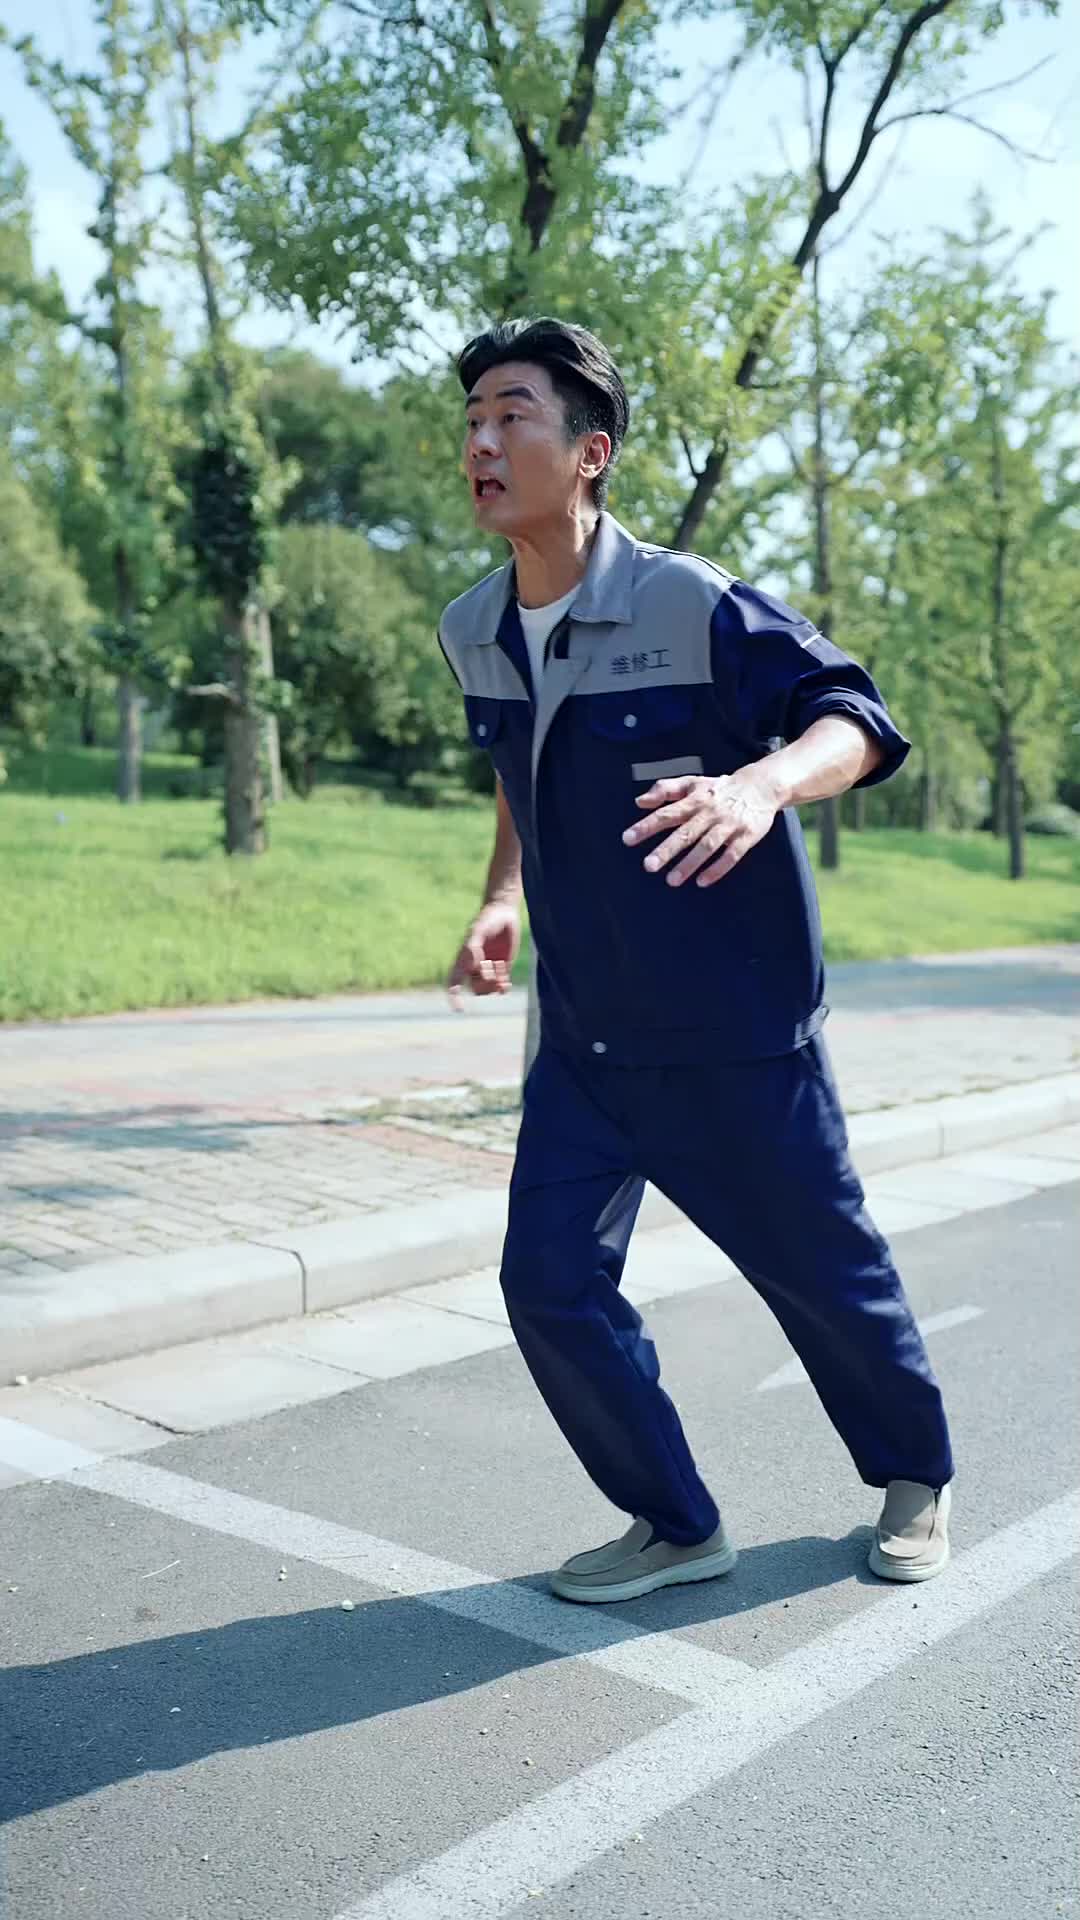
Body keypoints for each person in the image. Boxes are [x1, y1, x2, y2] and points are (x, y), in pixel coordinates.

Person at [440, 316, 953, 1606]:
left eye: (513, 415)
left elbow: (857, 718)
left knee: (823, 1276)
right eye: (473, 420)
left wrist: (758, 787)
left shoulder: (691, 601)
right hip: (587, 1041)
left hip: (737, 1032)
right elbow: (517, 767)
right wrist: (501, 897)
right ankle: (674, 1524)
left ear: (591, 452)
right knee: (547, 1284)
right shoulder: (471, 625)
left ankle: (914, 1478)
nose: (483, 441)